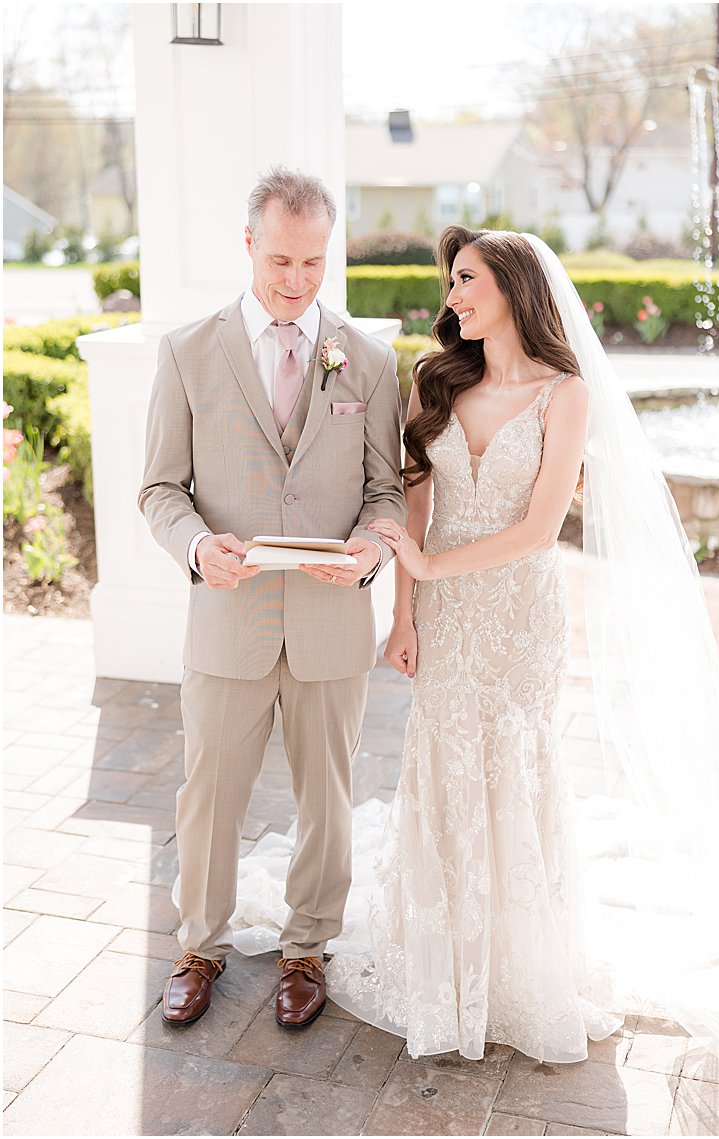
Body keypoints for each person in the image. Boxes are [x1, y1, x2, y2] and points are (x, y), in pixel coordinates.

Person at [231, 226, 719, 1078]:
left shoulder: (566, 394)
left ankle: (517, 968)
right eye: (450, 285)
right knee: (443, 761)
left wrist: (434, 565)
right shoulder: (435, 381)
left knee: (515, 766)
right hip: (444, 611)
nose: (452, 299)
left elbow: (543, 527)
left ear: (512, 285)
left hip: (519, 613)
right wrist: (406, 614)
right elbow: (411, 504)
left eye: (466, 280)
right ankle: (444, 960)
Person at [138, 167, 405, 1027]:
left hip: (331, 622)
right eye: (281, 259)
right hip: (228, 619)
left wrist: (371, 549)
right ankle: (198, 945)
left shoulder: (368, 360)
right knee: (208, 790)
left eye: (315, 264)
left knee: (327, 794)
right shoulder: (186, 353)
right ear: (249, 243)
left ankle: (307, 946)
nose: (296, 281)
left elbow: (386, 492)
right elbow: (159, 490)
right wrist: (196, 546)